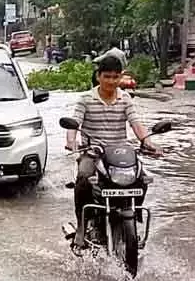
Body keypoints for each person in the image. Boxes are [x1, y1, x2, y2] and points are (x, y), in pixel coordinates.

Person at [67, 56, 157, 248]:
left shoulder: (125, 98)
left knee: (142, 177)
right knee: (83, 178)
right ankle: (82, 228)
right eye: (107, 76)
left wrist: (147, 141)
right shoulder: (85, 99)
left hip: (119, 153)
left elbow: (135, 122)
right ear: (98, 76)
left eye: (115, 77)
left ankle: (134, 217)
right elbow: (74, 122)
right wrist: (71, 141)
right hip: (93, 153)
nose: (111, 81)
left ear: (120, 78)